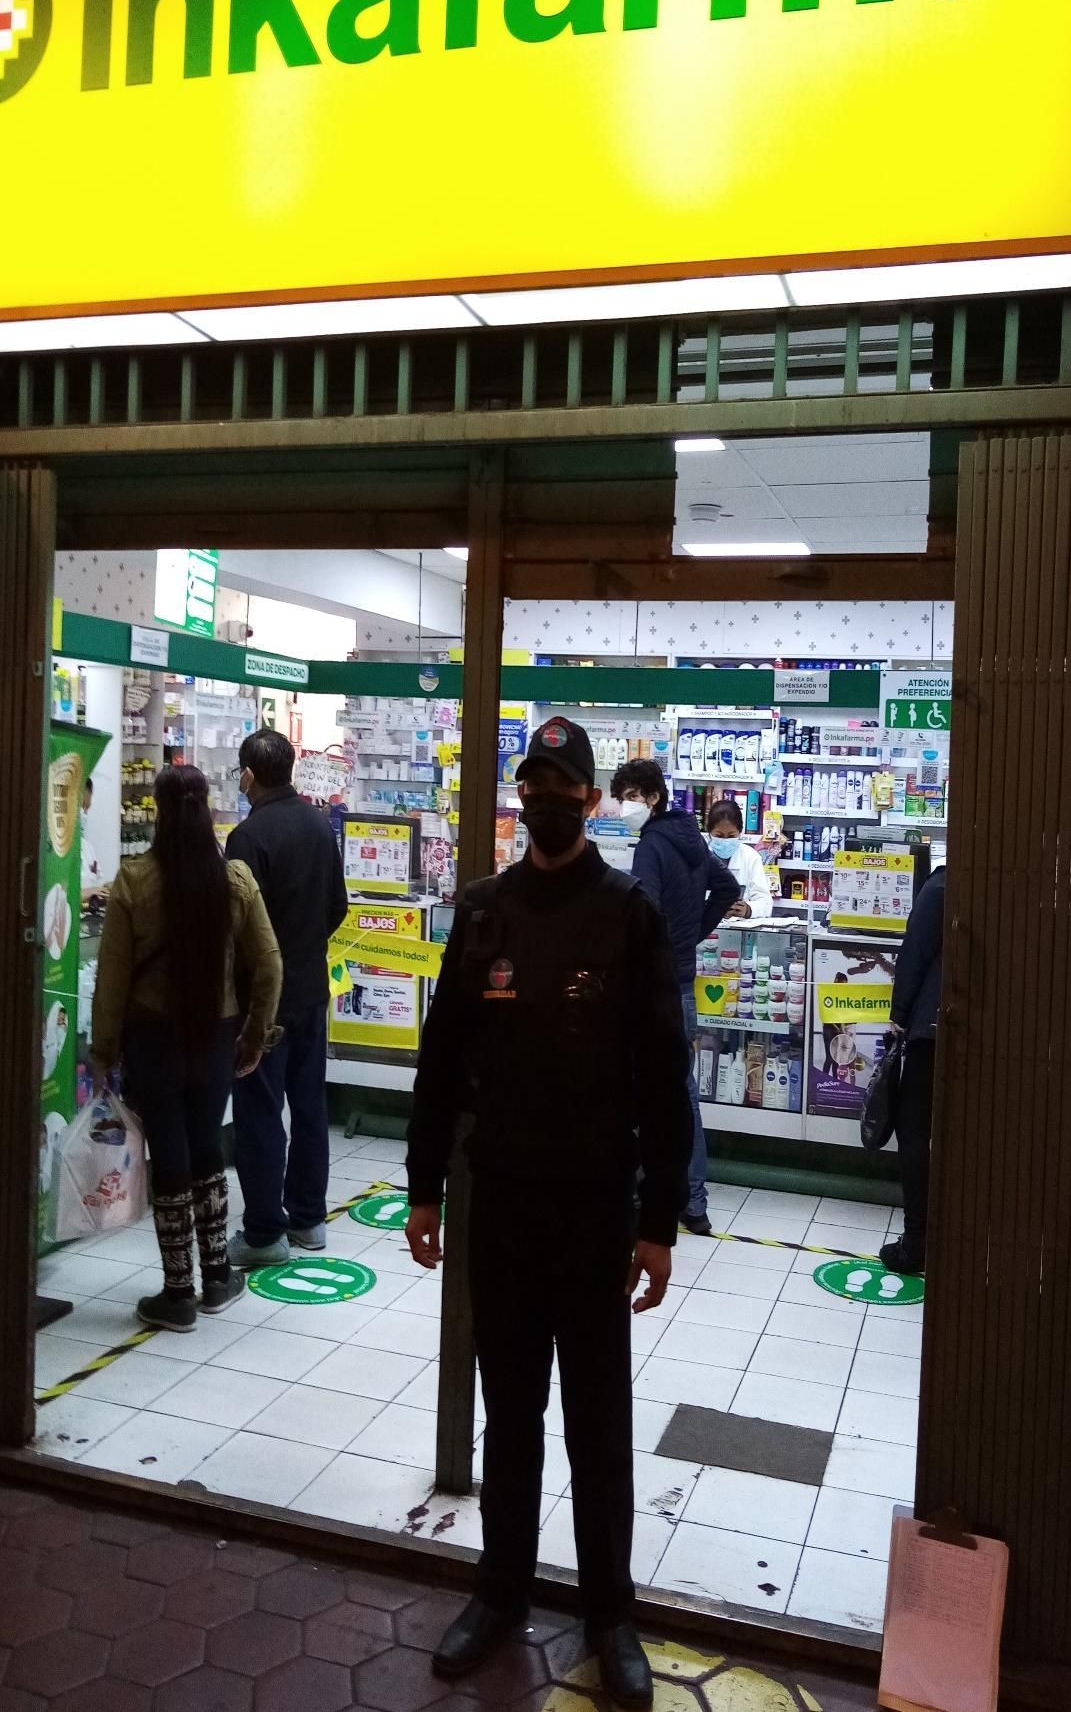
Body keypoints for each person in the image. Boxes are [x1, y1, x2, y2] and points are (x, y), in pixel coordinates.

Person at [406, 717, 693, 1711]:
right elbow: (441, 1057)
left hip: (593, 1209)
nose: (546, 797)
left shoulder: (628, 912)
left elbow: (663, 1074)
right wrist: (422, 1185)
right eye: (533, 782)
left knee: (597, 1421)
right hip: (505, 1204)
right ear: (520, 794)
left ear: (590, 800)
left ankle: (610, 1615)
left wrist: (659, 1218)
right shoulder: (483, 911)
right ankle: (500, 1592)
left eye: (563, 785)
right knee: (513, 1411)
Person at [90, 765, 282, 1333]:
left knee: (168, 1153)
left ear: (159, 812)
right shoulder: (235, 879)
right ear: (205, 812)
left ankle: (177, 1292)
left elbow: (112, 979)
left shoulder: (132, 881)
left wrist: (104, 1051)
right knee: (207, 1148)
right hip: (217, 1032)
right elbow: (269, 963)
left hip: (151, 1037)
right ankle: (219, 1278)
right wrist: (256, 1035)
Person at [225, 729, 349, 1266]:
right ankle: (308, 1220)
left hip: (264, 1000)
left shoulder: (249, 837)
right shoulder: (319, 824)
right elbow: (338, 906)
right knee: (309, 1105)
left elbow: (237, 931)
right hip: (311, 990)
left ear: (249, 774)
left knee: (258, 1109)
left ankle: (262, 1234)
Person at [609, 758, 740, 1236]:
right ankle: (695, 1201)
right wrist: (694, 936)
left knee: (642, 1092)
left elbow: (645, 911)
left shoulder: (651, 846)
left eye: (630, 798)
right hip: (682, 980)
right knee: (682, 1093)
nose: (624, 807)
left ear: (652, 798)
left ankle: (647, 1198)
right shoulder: (691, 839)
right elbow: (727, 887)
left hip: (651, 985)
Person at [880, 864, 947, 1277]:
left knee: (914, 1130)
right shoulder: (1003, 883)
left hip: (932, 1029)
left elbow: (913, 956)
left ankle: (917, 1241)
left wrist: (898, 1016)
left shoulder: (940, 887)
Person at [705, 799, 774, 919]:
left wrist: (748, 910)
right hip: (703, 930)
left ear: (740, 832)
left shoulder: (751, 857)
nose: (725, 841)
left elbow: (765, 903)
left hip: (738, 931)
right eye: (719, 836)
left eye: (731, 836)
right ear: (709, 832)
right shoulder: (698, 857)